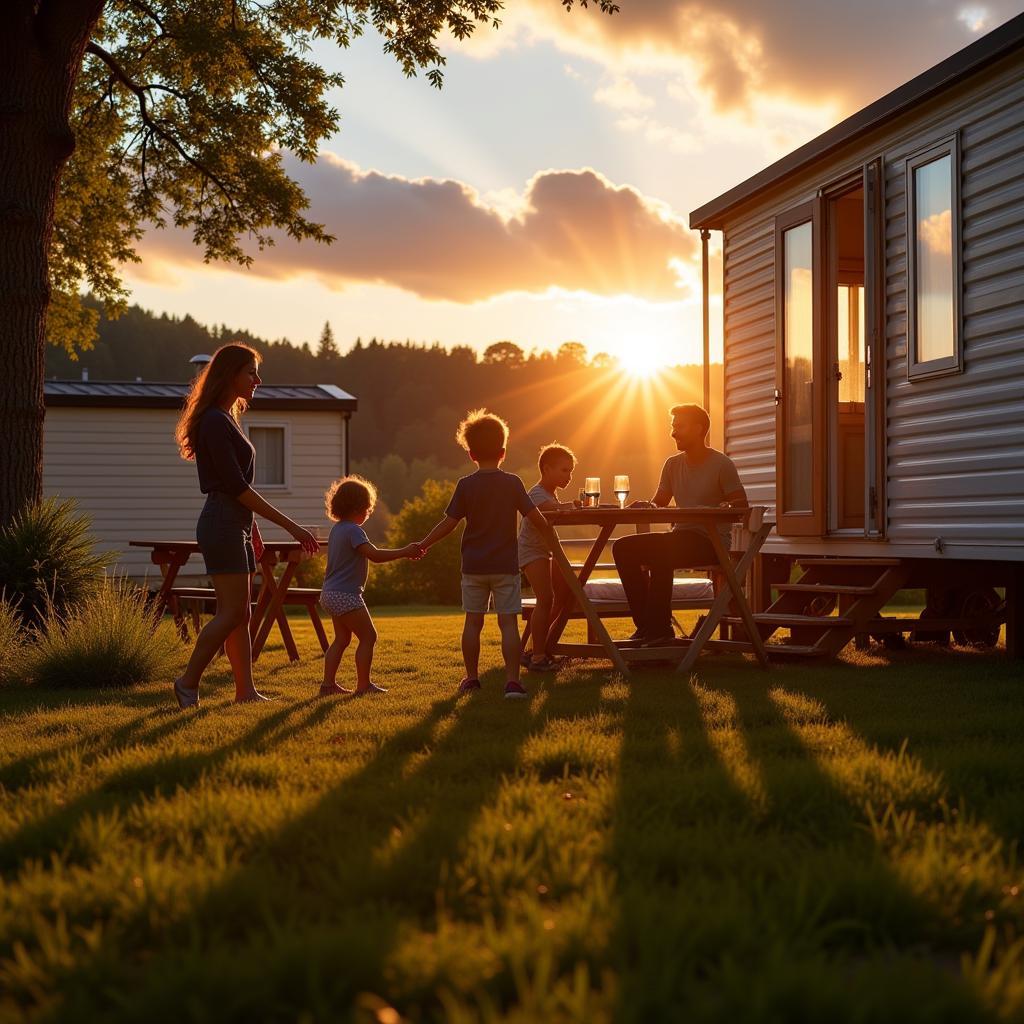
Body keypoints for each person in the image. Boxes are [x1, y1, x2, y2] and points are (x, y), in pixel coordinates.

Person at [172, 343, 319, 708]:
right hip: (221, 522)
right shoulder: (213, 421)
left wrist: (252, 530)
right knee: (233, 611)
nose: (258, 379)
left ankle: (245, 692)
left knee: (243, 612)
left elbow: (235, 488)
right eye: (250, 372)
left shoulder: (224, 418)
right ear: (230, 374)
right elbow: (235, 487)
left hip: (233, 523)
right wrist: (292, 527)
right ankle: (188, 682)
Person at [417, 409, 557, 699]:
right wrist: (552, 539)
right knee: (508, 623)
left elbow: (449, 523)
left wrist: (424, 543)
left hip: (474, 567)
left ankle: (471, 678)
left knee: (473, 622)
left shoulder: (466, 486)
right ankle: (512, 682)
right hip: (505, 566)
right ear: (503, 452)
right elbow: (535, 518)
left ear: (471, 454)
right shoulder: (513, 483)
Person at [612, 404, 747, 645]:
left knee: (663, 550)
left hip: (710, 542)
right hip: (678, 539)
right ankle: (649, 627)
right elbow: (659, 504)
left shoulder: (722, 464)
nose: (673, 433)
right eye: (673, 427)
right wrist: (646, 506)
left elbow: (740, 506)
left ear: (698, 429)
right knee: (622, 548)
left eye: (679, 427)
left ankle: (657, 630)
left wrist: (719, 509)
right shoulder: (672, 465)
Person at [319, 475, 422, 696]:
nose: (368, 512)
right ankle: (363, 685)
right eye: (368, 508)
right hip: (346, 595)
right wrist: (404, 551)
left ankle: (328, 686)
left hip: (329, 593)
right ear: (359, 507)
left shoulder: (337, 529)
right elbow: (374, 555)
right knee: (369, 637)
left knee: (342, 639)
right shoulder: (354, 531)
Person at [518, 443, 578, 672]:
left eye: (571, 471)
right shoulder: (536, 494)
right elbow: (551, 510)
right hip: (532, 551)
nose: (569, 476)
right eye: (564, 470)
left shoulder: (550, 494)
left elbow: (557, 506)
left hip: (545, 551)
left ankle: (537, 648)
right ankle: (538, 656)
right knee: (545, 598)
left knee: (563, 595)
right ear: (546, 469)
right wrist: (571, 506)